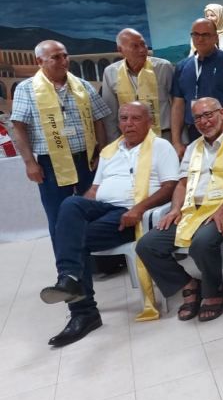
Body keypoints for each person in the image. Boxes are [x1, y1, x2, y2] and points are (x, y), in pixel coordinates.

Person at [39, 102, 179, 346]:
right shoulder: (109, 151)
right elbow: (94, 190)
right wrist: (80, 210)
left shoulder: (161, 146)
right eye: (124, 118)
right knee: (70, 204)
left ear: (149, 122)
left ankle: (83, 312)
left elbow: (170, 186)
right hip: (103, 209)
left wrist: (138, 208)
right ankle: (69, 277)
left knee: (72, 240)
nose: (128, 124)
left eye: (135, 118)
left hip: (130, 212)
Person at [137, 97, 223, 322]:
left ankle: (213, 290)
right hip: (192, 210)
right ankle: (189, 285)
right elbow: (182, 184)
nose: (204, 121)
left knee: (201, 243)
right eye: (198, 117)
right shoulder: (193, 148)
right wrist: (175, 209)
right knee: (147, 245)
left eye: (208, 115)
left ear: (222, 113)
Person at [10, 40, 110, 253]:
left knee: (94, 210)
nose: (63, 61)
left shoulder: (82, 85)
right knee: (59, 215)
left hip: (87, 159)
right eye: (55, 57)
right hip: (51, 164)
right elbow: (19, 127)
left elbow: (98, 120)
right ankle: (68, 267)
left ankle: (102, 262)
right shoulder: (26, 89)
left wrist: (101, 152)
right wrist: (30, 163)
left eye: (65, 55)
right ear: (39, 61)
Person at [171, 19, 223, 158]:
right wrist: (176, 142)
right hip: (195, 134)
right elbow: (177, 106)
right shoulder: (182, 67)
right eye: (196, 34)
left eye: (205, 34)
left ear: (216, 37)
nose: (200, 39)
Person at [101, 28, 174, 140]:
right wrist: (115, 144)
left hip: (163, 135)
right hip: (129, 138)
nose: (142, 50)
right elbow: (110, 115)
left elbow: (177, 104)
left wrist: (180, 140)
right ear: (120, 50)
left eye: (143, 44)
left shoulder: (163, 67)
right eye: (135, 46)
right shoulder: (110, 72)